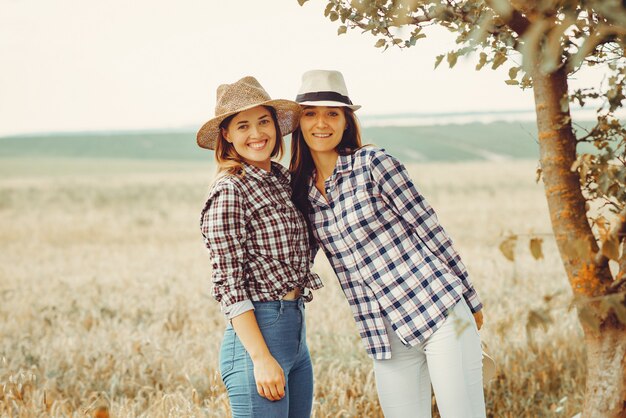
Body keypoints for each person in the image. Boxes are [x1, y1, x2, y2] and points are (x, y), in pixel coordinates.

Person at [289, 69, 487, 418]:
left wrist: (471, 301)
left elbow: (431, 230)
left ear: (346, 121)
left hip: (440, 311)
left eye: (332, 113)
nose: (322, 123)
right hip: (383, 334)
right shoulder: (300, 191)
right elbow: (296, 257)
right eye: (311, 113)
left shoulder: (374, 165)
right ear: (299, 123)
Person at [198, 76, 323, 417]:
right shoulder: (230, 191)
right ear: (227, 134)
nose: (257, 134)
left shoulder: (282, 180)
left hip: (295, 333)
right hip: (259, 337)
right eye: (243, 126)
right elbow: (228, 284)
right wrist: (260, 357)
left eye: (264, 121)